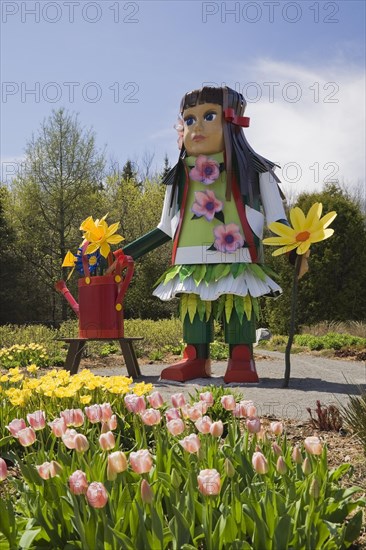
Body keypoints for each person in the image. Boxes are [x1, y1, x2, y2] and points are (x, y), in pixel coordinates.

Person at [123, 86, 287, 383]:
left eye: (208, 116)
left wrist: (296, 244)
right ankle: (195, 358)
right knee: (193, 307)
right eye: (188, 119)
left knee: (239, 302)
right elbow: (165, 226)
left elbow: (278, 218)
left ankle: (241, 356)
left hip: (238, 253)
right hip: (188, 256)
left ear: (233, 121)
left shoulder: (254, 170)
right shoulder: (179, 176)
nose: (196, 126)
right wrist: (124, 254)